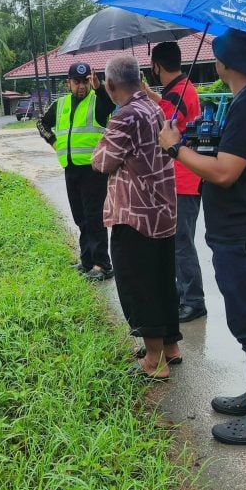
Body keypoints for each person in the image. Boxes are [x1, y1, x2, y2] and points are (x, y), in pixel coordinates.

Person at [158, 28, 246, 445]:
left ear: (226, 63)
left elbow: (225, 172)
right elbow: (231, 156)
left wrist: (176, 148)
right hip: (242, 229)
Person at [91, 54, 180, 379]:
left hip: (135, 215)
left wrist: (103, 143)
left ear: (111, 84)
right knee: (161, 280)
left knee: (138, 284)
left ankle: (154, 361)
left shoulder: (125, 116)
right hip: (163, 211)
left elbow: (101, 162)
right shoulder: (154, 108)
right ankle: (170, 346)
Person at [141, 41, 207, 322]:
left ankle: (194, 299)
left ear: (156, 65)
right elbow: (170, 109)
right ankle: (183, 292)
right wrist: (148, 95)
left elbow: (166, 125)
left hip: (184, 178)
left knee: (181, 242)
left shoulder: (179, 93)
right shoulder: (179, 90)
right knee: (178, 240)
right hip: (182, 177)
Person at [37, 62, 116, 282]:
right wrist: (55, 144)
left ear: (91, 81)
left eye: (85, 81)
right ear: (68, 83)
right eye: (77, 82)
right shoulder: (60, 104)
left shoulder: (98, 102)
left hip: (93, 170)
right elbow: (41, 124)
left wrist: (99, 87)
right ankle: (87, 261)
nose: (81, 86)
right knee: (80, 217)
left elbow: (110, 103)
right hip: (71, 169)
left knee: (95, 218)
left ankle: (103, 264)